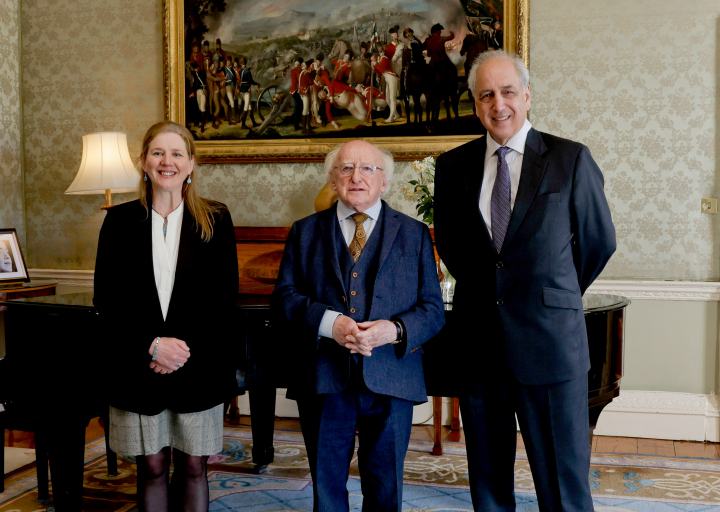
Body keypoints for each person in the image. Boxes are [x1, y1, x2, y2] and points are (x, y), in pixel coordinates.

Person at [433, 50, 616, 512]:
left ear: (528, 96)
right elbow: (453, 246)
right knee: (489, 486)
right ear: (475, 105)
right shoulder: (452, 168)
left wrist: (550, 294)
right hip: (479, 346)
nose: (499, 105)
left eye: (509, 92)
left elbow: (597, 242)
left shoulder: (569, 159)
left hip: (550, 343)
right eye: (487, 95)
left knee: (563, 486)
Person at [272, 140, 445, 512]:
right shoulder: (304, 232)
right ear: (332, 180)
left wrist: (393, 330)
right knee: (327, 489)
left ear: (385, 182)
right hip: (323, 377)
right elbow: (284, 299)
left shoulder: (415, 234)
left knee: (385, 490)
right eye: (346, 168)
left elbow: (433, 310)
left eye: (368, 168)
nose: (356, 176)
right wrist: (330, 323)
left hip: (392, 377)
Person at [94, 121, 239, 512]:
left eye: (177, 153)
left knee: (194, 468)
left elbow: (224, 303)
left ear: (191, 164)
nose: (167, 161)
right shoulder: (119, 222)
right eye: (158, 152)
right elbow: (107, 302)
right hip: (138, 365)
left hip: (199, 366)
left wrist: (180, 351)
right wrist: (154, 346)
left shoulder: (216, 219)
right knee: (153, 468)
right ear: (143, 162)